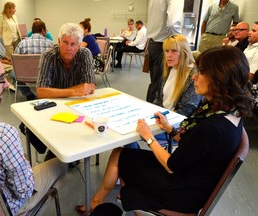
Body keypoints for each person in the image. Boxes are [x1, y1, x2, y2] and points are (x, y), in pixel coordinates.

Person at [75, 45, 252, 214]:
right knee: (125, 157)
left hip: (182, 193)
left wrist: (149, 137)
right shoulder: (228, 113)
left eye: (201, 72)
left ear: (219, 79)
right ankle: (113, 200)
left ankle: (104, 202)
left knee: (120, 156)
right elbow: (194, 148)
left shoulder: (214, 127)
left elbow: (171, 166)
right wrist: (169, 129)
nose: (194, 77)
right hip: (195, 181)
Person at [0, 48, 68, 215]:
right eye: (1, 79)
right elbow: (24, 191)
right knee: (61, 164)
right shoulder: (2, 135)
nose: (7, 84)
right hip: (5, 208)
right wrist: (24, 166)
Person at [24, 23, 95, 163]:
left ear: (79, 44)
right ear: (58, 41)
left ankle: (66, 151)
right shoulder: (48, 56)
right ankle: (53, 148)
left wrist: (57, 92)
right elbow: (41, 91)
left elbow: (90, 86)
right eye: (65, 42)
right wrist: (74, 91)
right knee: (26, 126)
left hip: (78, 106)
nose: (69, 48)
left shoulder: (85, 54)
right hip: (53, 107)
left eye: (73, 44)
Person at [146, 0, 184, 103]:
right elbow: (172, 23)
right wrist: (180, 41)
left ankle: (149, 110)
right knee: (161, 85)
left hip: (153, 44)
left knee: (155, 83)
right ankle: (152, 113)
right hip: (165, 45)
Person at [14, 20, 54, 101]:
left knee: (13, 74)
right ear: (43, 30)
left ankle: (29, 95)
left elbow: (15, 62)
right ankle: (46, 93)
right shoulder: (50, 44)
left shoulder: (22, 43)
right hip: (45, 76)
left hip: (25, 76)